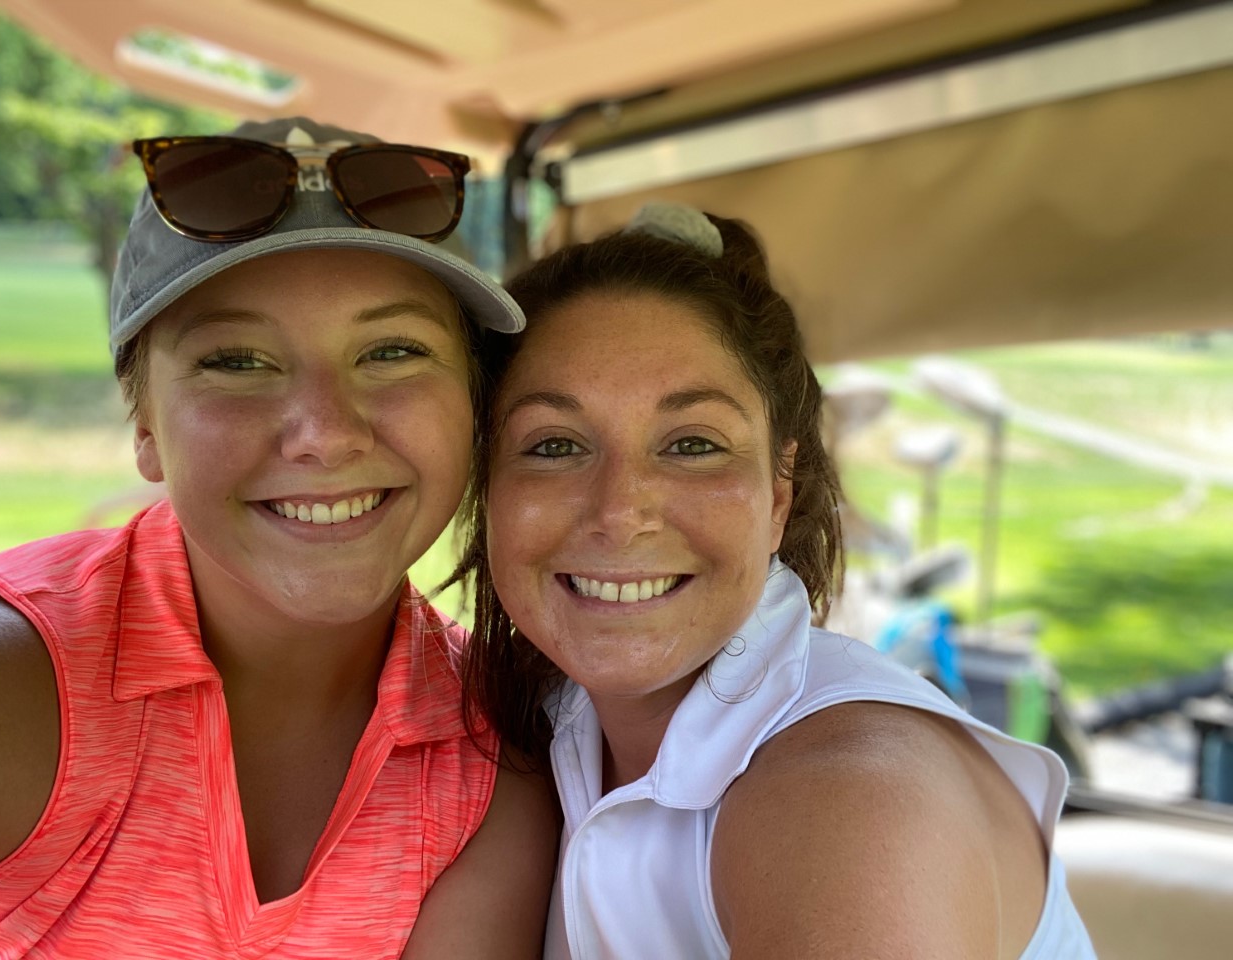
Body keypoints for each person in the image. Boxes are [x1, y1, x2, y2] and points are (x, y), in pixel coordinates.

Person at [0, 116, 555, 958]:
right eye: (237, 361)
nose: (325, 433)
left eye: (391, 351)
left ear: (473, 407)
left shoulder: (494, 769)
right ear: (146, 426)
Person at [453, 203, 1098, 958]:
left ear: (779, 494)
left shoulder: (856, 806)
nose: (620, 512)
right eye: (555, 445)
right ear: (488, 489)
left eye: (692, 444)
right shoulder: (545, 729)